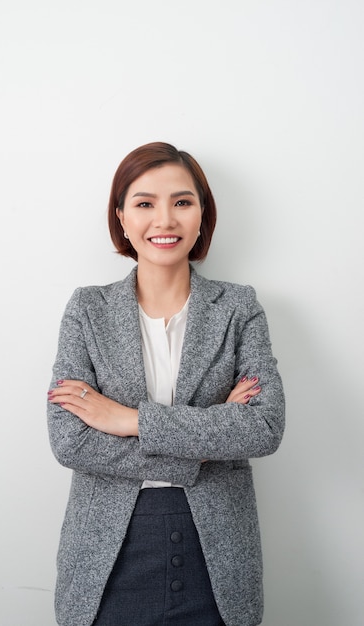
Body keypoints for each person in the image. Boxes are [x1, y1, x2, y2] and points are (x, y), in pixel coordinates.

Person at [47, 142, 285, 626]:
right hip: (108, 549)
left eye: (182, 202)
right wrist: (206, 440)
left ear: (202, 214)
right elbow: (70, 440)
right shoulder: (88, 309)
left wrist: (129, 420)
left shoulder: (239, 309)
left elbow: (263, 426)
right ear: (121, 217)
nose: (165, 220)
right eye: (144, 203)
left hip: (216, 549)